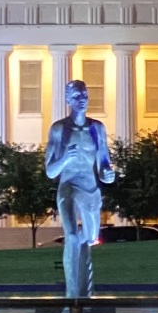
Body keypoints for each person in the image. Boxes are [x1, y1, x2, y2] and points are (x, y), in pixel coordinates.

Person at [44, 78, 116, 298]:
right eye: (76, 96)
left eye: (84, 95)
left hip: (90, 189)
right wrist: (65, 158)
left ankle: (85, 293)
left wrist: (108, 174)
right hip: (68, 186)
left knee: (91, 238)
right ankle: (72, 295)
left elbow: (104, 163)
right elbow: (50, 171)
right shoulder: (59, 129)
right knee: (73, 237)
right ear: (68, 100)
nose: (82, 99)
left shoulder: (97, 129)